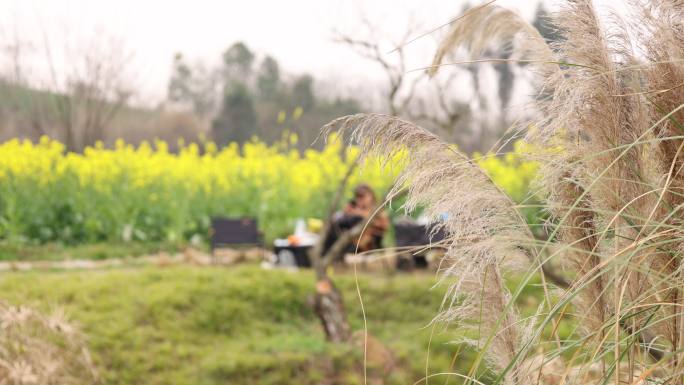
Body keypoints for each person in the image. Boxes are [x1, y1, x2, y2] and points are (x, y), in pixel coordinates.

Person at [323, 184, 389, 259]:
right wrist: (347, 211)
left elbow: (384, 226)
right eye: (358, 197)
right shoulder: (356, 209)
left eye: (362, 196)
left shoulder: (377, 210)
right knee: (333, 228)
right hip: (351, 239)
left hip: (363, 243)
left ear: (371, 196)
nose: (360, 200)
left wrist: (360, 214)